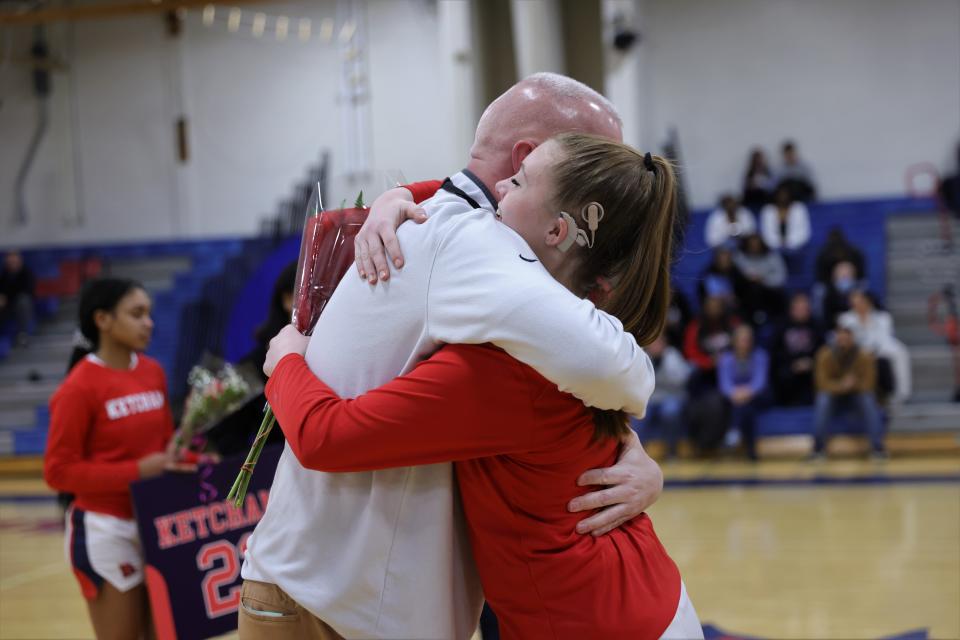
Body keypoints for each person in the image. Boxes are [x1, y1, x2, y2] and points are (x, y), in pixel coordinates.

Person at [240, 73, 667, 640]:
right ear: (529, 158)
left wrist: (402, 194)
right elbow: (624, 372)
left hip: (333, 589)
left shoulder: (441, 223)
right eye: (592, 159)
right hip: (335, 601)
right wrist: (287, 361)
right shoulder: (477, 248)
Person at [43, 278, 180, 639]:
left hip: (154, 521)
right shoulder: (78, 387)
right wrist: (138, 470)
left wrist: (188, 456)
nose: (148, 323)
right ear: (102, 320)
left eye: (149, 313)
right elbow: (58, 472)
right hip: (106, 528)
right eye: (137, 314)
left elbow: (164, 445)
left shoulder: (153, 371)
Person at [811, 321, 887, 460]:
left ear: (853, 337)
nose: (843, 340)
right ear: (835, 337)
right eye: (840, 336)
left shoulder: (865, 356)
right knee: (823, 400)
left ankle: (877, 448)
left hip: (856, 395)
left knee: (868, 399)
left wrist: (852, 384)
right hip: (834, 395)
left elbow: (869, 384)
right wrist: (841, 385)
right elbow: (821, 384)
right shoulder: (824, 355)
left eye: (847, 336)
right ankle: (818, 449)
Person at [839, 289, 912, 403]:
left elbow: (885, 340)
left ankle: (902, 394)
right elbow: (845, 341)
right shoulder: (845, 319)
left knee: (901, 352)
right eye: (854, 301)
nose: (858, 304)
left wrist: (872, 350)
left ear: (868, 302)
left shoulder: (883, 317)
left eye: (861, 301)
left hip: (879, 349)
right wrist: (863, 350)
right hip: (855, 351)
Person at [717, 325, 769, 460]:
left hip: (756, 396)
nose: (744, 343)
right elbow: (725, 384)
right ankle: (751, 450)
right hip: (734, 398)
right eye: (741, 340)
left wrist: (746, 392)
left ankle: (733, 433)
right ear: (734, 341)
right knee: (745, 408)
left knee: (746, 406)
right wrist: (735, 393)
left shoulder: (760, 356)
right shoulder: (726, 359)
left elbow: (760, 381)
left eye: (747, 340)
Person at [636, 333, 691, 461]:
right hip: (650, 397)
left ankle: (672, 448)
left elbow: (681, 379)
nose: (656, 346)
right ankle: (638, 450)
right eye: (653, 343)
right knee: (637, 412)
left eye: (659, 343)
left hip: (672, 396)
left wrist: (662, 372)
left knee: (670, 412)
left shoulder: (673, 356)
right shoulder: (643, 356)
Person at [771, 292, 823, 406]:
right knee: (782, 373)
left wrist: (810, 361)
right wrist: (793, 363)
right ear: (792, 309)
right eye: (799, 308)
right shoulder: (782, 325)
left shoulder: (816, 325)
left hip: (811, 363)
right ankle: (786, 405)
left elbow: (822, 349)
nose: (802, 311)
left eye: (805, 308)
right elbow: (776, 350)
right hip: (789, 364)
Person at [733, 233, 787, 324]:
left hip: (770, 292)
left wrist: (763, 279)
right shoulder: (739, 257)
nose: (754, 247)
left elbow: (781, 277)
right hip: (747, 293)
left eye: (757, 244)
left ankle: (777, 320)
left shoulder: (772, 256)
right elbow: (737, 274)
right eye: (751, 245)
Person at [760, 185, 811, 253]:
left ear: (790, 195)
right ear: (775, 195)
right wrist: (778, 243)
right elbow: (766, 233)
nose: (783, 197)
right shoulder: (768, 210)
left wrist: (789, 242)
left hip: (797, 246)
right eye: (780, 194)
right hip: (773, 247)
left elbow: (804, 232)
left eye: (785, 194)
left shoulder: (799, 208)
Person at [0, 250, 36, 346]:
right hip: (7, 305)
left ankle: (23, 334)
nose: (12, 261)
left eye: (14, 258)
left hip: (21, 305)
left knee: (23, 301)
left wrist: (6, 297)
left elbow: (26, 290)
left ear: (19, 260)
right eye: (10, 259)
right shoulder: (4, 274)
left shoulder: (27, 273)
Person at [697, 247, 746, 311]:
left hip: (734, 311)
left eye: (727, 258)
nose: (724, 261)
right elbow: (703, 298)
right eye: (722, 258)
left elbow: (742, 297)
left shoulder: (737, 275)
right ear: (716, 259)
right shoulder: (706, 275)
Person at [819, 260, 866, 327]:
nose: (845, 276)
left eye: (848, 273)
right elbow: (825, 316)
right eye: (842, 273)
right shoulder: (828, 294)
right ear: (835, 275)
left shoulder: (861, 291)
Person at [741, 147, 773, 212]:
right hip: (753, 197)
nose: (758, 162)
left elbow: (772, 186)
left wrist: (763, 184)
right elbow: (745, 188)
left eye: (760, 160)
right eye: (756, 160)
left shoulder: (767, 172)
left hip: (764, 198)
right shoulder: (749, 173)